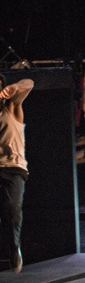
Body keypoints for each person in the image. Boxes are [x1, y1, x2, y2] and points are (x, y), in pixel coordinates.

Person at [0, 74, 33, 273]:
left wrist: (15, 87)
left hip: (13, 168)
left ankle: (14, 249)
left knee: (12, 211)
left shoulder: (11, 107)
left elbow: (29, 84)